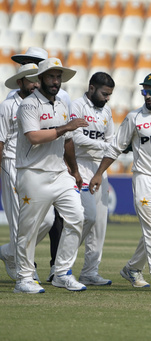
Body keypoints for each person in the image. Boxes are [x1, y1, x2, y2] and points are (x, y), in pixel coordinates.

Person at [89, 73, 151, 290]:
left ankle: (132, 268)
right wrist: (99, 172)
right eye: (144, 91)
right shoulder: (134, 118)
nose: (146, 96)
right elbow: (116, 147)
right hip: (144, 178)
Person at [14, 57, 88, 293]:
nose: (55, 81)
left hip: (59, 173)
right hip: (33, 173)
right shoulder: (29, 105)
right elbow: (33, 137)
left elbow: (67, 142)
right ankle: (23, 278)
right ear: (41, 79)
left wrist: (74, 170)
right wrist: (66, 127)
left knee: (77, 217)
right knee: (29, 227)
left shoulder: (62, 104)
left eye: (58, 77)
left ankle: (62, 272)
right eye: (51, 77)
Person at [7, 47, 68, 283]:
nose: (30, 68)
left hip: (53, 165)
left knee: (56, 220)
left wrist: (68, 167)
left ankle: (57, 268)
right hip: (21, 164)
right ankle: (25, 268)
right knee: (25, 219)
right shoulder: (13, 101)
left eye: (34, 63)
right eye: (26, 64)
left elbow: (65, 137)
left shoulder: (61, 98)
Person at [0, 64, 55, 282]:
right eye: (31, 80)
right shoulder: (7, 106)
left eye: (37, 80)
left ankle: (10, 252)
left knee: (47, 219)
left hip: (36, 165)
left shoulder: (41, 104)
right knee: (18, 220)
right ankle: (25, 271)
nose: (35, 84)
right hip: (12, 163)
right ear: (20, 82)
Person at [72, 72, 116, 286]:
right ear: (91, 88)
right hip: (79, 165)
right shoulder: (77, 106)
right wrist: (103, 146)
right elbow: (74, 136)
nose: (107, 98)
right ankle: (61, 267)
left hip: (100, 169)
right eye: (104, 93)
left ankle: (90, 271)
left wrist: (102, 167)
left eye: (109, 95)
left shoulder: (106, 110)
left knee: (99, 223)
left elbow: (111, 140)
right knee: (85, 217)